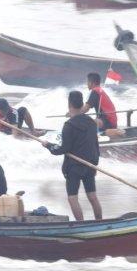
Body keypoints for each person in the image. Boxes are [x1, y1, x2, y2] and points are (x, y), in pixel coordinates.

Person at [42, 91, 102, 221]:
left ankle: (81, 225)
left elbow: (64, 149)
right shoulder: (92, 122)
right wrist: (95, 163)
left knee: (72, 197)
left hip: (74, 167)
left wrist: (48, 146)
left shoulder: (69, 125)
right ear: (82, 104)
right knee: (92, 196)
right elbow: (96, 145)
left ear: (69, 104)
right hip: (90, 164)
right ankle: (100, 222)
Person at [81, 73, 123, 137]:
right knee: (87, 120)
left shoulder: (95, 91)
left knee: (86, 122)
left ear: (92, 83)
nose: (87, 84)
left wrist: (73, 113)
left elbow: (85, 109)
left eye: (87, 82)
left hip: (108, 121)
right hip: (110, 120)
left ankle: (108, 132)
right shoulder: (100, 90)